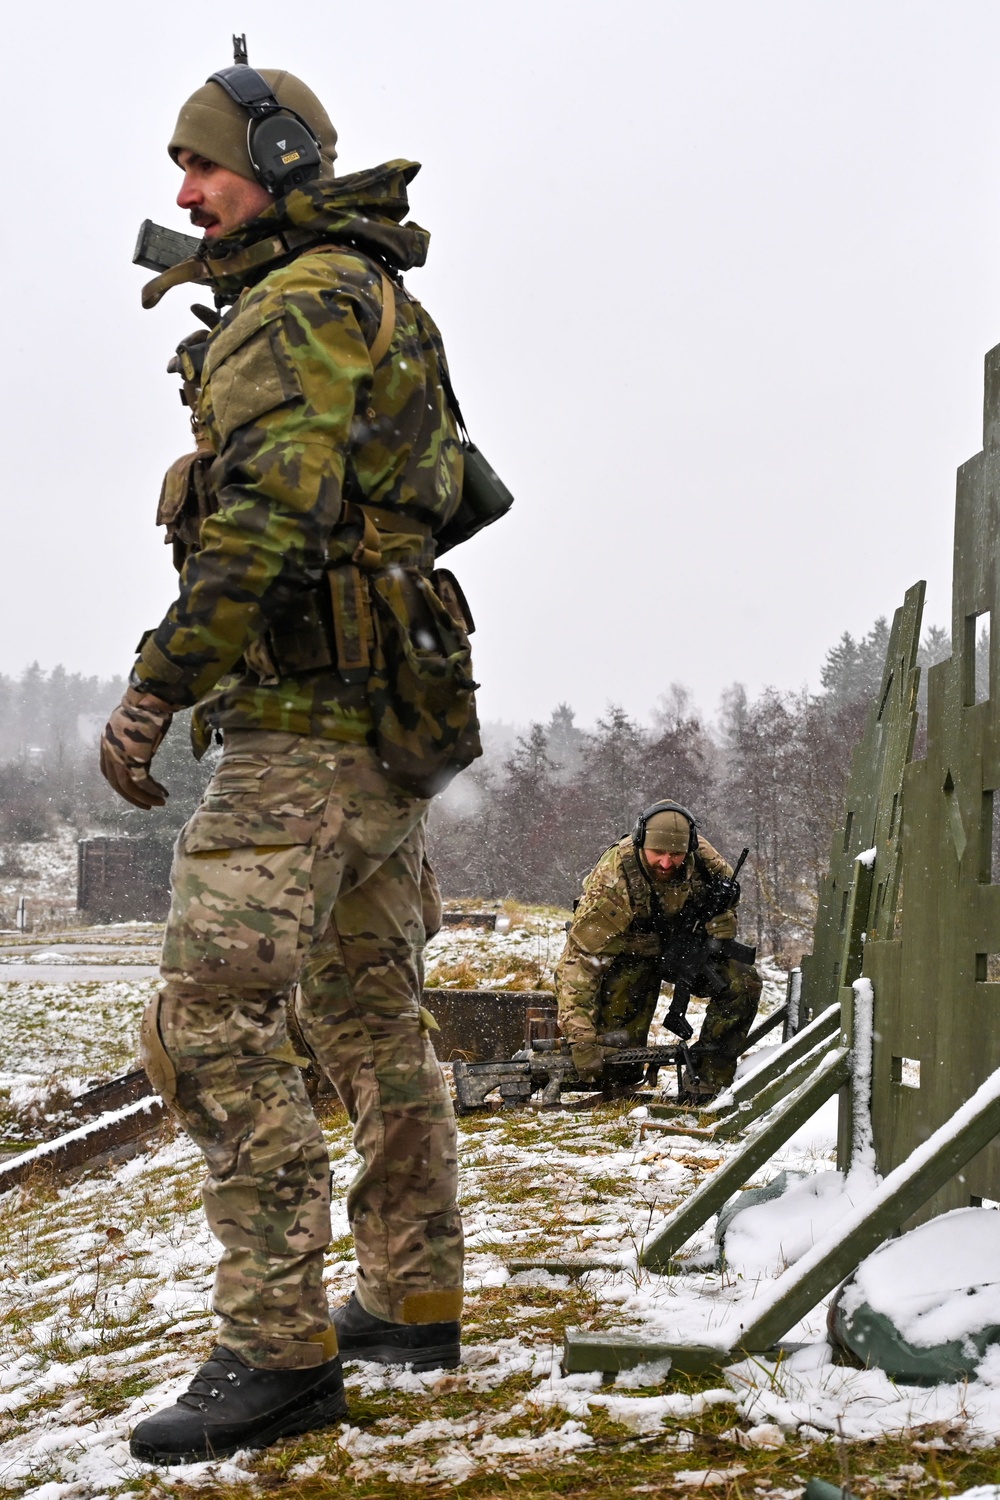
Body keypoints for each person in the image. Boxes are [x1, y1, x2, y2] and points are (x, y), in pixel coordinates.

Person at [100, 56, 476, 1464]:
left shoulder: (295, 304)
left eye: (203, 166)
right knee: (372, 1019)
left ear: (274, 159)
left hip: (301, 736)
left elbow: (258, 528)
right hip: (393, 730)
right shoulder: (379, 293)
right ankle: (413, 1292)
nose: (185, 194)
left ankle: (277, 1344)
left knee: (210, 1026)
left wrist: (154, 690)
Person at [555, 800, 762, 1103]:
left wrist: (722, 925)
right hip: (628, 957)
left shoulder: (709, 864)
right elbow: (578, 964)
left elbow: (729, 904)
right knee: (618, 1066)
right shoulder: (613, 881)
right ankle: (614, 1076)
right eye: (658, 853)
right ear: (641, 843)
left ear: (689, 848)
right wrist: (581, 1039)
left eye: (676, 854)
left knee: (743, 981)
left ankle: (708, 1081)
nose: (666, 863)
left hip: (687, 950)